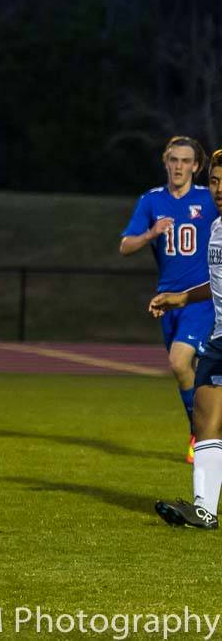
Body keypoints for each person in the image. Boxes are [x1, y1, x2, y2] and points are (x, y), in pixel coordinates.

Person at [121, 136, 215, 463]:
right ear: (165, 162)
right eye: (173, 160)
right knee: (186, 370)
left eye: (185, 161)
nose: (178, 166)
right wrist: (151, 233)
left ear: (196, 166)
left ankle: (203, 434)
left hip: (202, 298)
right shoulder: (151, 201)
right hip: (168, 299)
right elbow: (125, 246)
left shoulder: (210, 199)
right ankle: (199, 429)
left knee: (181, 361)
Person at [150, 149, 222, 529]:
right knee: (205, 419)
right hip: (219, 338)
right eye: (214, 181)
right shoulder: (216, 228)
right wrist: (181, 297)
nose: (220, 189)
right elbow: (215, 283)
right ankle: (204, 510)